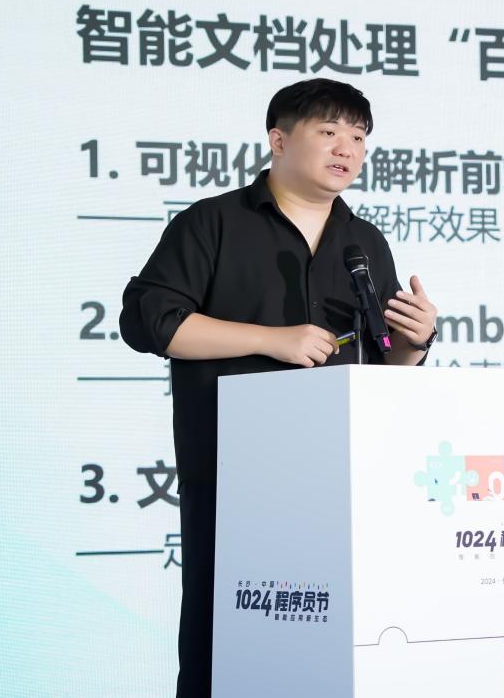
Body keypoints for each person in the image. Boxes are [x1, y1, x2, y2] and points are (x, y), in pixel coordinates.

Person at [118, 78, 438, 697]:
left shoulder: (365, 243)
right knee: (227, 648)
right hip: (237, 481)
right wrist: (273, 339)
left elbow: (383, 370)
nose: (347, 148)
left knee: (339, 653)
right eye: (329, 131)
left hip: (342, 488)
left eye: (359, 137)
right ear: (279, 140)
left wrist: (415, 342)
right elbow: (150, 322)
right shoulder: (213, 222)